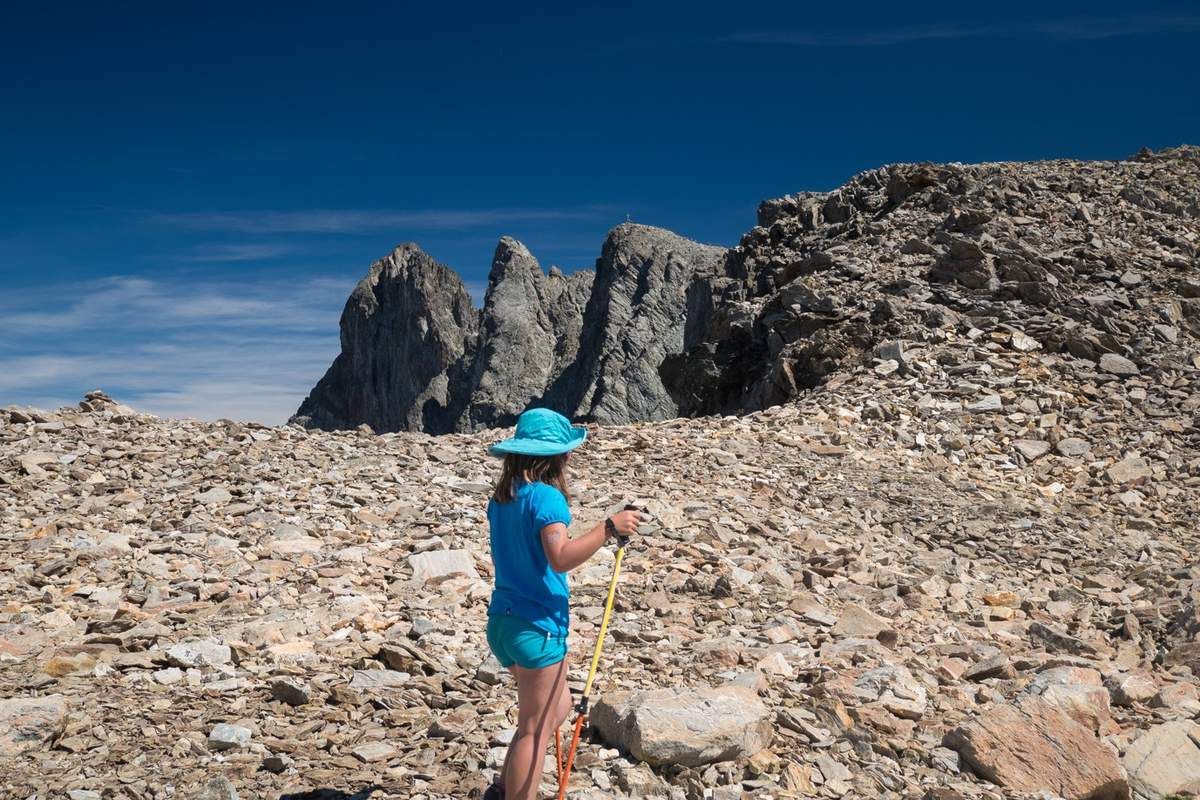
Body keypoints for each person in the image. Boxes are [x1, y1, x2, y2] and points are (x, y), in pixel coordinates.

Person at [482, 407, 643, 800]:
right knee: (533, 730)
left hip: (504, 622)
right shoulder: (547, 499)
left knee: (555, 707)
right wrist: (608, 529)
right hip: (537, 625)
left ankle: (503, 788)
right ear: (559, 456)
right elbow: (560, 557)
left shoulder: (502, 500)